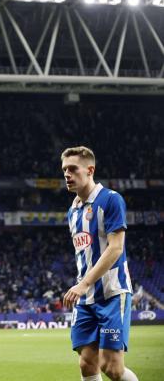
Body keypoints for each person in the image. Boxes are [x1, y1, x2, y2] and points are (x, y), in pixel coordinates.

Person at [61, 146, 138, 381]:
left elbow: (115, 248)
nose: (67, 174)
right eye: (64, 169)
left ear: (90, 170)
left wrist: (84, 283)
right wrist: (83, 287)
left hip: (112, 292)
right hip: (86, 299)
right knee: (86, 363)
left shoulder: (111, 200)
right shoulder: (72, 211)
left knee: (112, 368)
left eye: (73, 169)